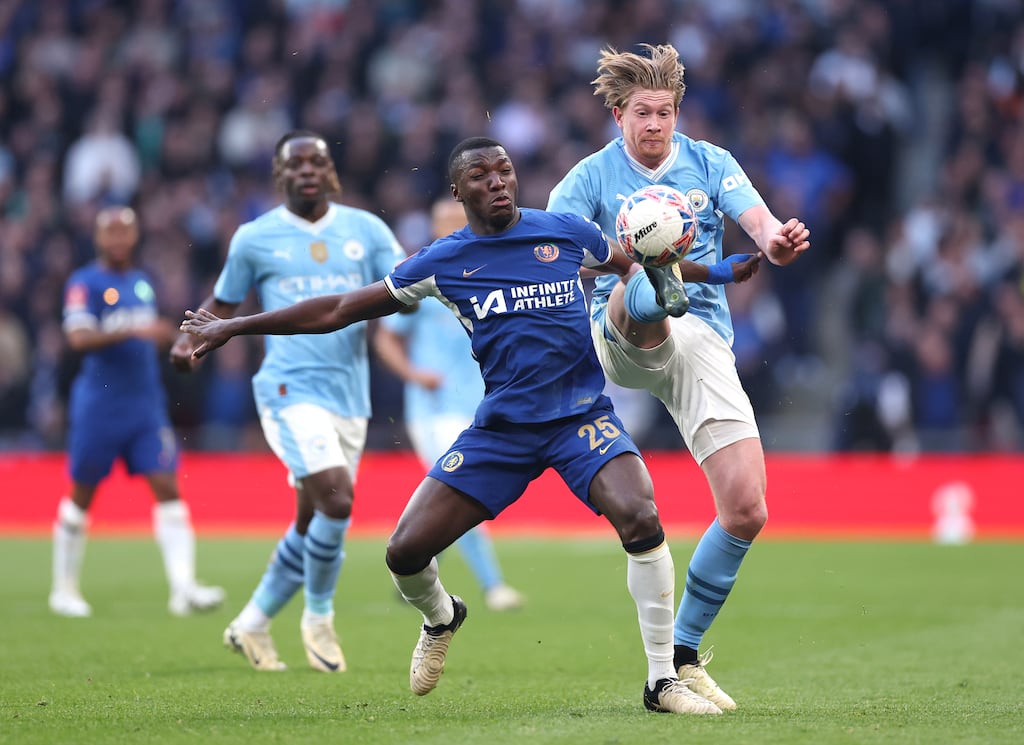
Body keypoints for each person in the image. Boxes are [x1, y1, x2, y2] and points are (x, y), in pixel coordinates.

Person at [180, 136, 731, 715]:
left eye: (505, 171)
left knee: (641, 515)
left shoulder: (567, 233)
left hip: (580, 417)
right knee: (404, 553)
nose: (497, 182)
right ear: (457, 190)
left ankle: (661, 681)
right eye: (481, 175)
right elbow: (339, 309)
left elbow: (641, 267)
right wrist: (234, 327)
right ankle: (443, 617)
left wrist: (711, 273)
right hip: (502, 431)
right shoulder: (443, 261)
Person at [547, 43, 810, 710]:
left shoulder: (711, 162)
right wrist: (618, 261)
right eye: (643, 112)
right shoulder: (586, 180)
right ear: (617, 114)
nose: (656, 124)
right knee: (644, 287)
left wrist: (775, 239)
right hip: (623, 330)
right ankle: (653, 281)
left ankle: (681, 658)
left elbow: (758, 220)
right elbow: (551, 258)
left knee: (748, 507)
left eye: (665, 112)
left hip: (702, 341)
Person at [169, 130, 406, 673]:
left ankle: (251, 622)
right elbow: (223, 303)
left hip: (349, 395)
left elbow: (404, 287)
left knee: (312, 518)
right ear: (279, 176)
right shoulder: (255, 238)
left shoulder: (366, 230)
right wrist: (189, 338)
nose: (305, 171)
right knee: (337, 499)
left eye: (315, 162)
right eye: (293, 164)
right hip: (287, 388)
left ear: (330, 172)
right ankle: (318, 617)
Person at [52, 206, 225, 618]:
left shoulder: (142, 282)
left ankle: (183, 588)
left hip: (145, 406)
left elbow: (151, 333)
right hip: (100, 406)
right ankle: (63, 588)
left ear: (134, 236)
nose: (117, 239)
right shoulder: (85, 282)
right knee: (83, 493)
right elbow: (76, 337)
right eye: (109, 232)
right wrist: (134, 330)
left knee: (168, 487)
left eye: (124, 231)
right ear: (97, 238)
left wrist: (172, 340)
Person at [373, 198, 524, 613]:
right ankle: (493, 586)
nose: (454, 229)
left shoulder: (494, 272)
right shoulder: (424, 279)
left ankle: (416, 565)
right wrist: (413, 373)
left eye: (459, 222)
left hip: (483, 401)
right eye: (446, 223)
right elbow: (386, 335)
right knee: (459, 488)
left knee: (457, 492)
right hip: (433, 406)